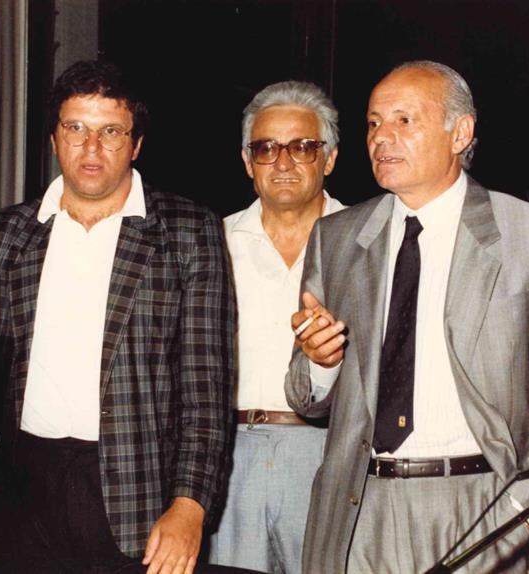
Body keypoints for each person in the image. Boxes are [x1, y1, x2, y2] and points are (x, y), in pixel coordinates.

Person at [285, 60, 529, 573]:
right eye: (373, 123)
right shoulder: (337, 237)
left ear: (460, 133)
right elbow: (305, 396)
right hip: (360, 512)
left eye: (404, 120)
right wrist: (322, 362)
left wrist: (517, 510)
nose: (381, 137)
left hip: (484, 501)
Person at [0, 60, 237, 574]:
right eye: (76, 128)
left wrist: (190, 506)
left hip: (136, 494)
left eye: (111, 131)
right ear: (53, 138)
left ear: (136, 144)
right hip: (19, 494)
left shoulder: (187, 233)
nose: (91, 147)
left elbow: (206, 391)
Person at [208, 81, 344, 573]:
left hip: (330, 456)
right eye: (267, 148)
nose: (283, 162)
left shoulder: (367, 242)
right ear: (248, 162)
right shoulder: (212, 242)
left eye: (303, 147)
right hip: (230, 458)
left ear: (329, 159)